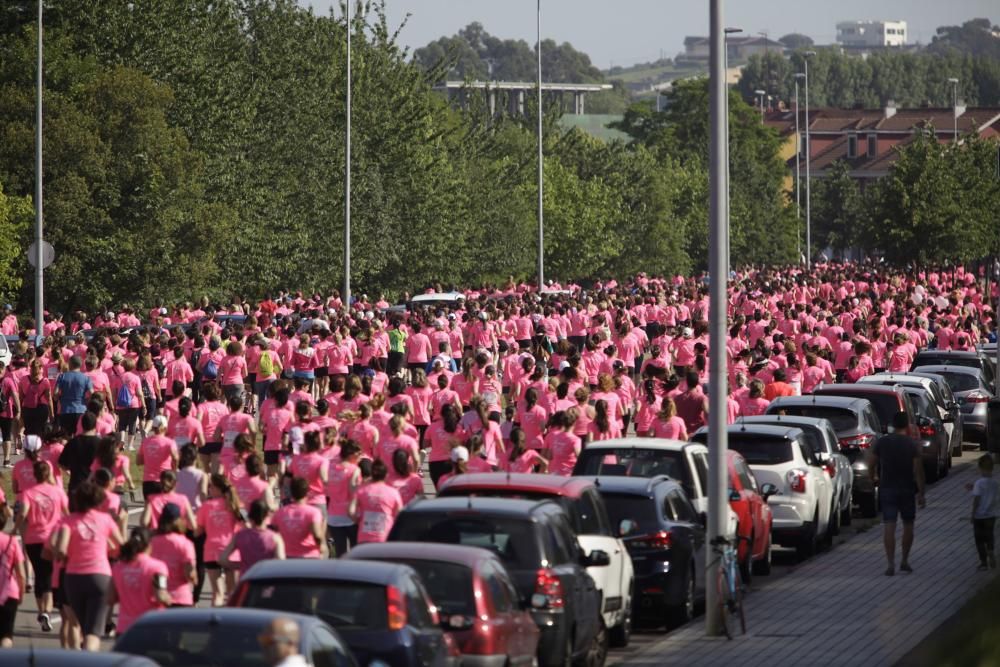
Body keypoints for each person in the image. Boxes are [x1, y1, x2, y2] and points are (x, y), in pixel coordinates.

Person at [52, 481, 125, 651]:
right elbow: (120, 545)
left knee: (77, 623)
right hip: (100, 575)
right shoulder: (105, 519)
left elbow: (60, 550)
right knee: (93, 631)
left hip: (74, 577)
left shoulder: (67, 521)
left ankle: (78, 657)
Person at [870, 411, 925, 576]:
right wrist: (921, 492)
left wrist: (873, 477)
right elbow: (918, 470)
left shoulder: (883, 442)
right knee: (908, 525)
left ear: (893, 425)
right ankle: (905, 560)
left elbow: (871, 463)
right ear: (907, 426)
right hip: (907, 488)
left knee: (889, 525)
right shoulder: (912, 444)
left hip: (887, 488)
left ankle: (890, 563)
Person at [16, 460, 69, 632]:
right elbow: (68, 514)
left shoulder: (28, 493)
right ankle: (46, 610)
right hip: (53, 538)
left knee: (40, 573)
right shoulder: (58, 492)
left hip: (33, 538)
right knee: (51, 574)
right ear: (49, 474)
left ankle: (41, 610)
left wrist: (16, 528)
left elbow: (22, 514)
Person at [108, 526, 170, 634]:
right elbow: (160, 596)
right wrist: (170, 601)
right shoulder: (157, 567)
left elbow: (110, 598)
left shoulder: (118, 568)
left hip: (125, 629)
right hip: (152, 626)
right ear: (149, 545)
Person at [220, 499, 285, 577]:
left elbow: (222, 559)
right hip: (267, 579)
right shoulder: (275, 537)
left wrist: (240, 566)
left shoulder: (240, 535)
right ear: (267, 515)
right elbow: (281, 561)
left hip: (248, 579)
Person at [149, 502, 198, 607]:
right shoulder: (185, 543)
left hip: (158, 597)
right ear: (179, 521)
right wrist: (194, 579)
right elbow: (189, 573)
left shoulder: (152, 542)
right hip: (181, 597)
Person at [271, 477, 327, 559]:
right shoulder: (313, 512)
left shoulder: (280, 513)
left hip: (287, 556)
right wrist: (322, 545)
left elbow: (274, 532)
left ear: (292, 492)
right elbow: (317, 535)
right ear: (307, 493)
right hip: (309, 556)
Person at [353, 460, 403, 544]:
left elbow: (351, 511)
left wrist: (358, 520)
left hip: (365, 536)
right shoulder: (393, 492)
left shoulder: (362, 490)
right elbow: (400, 514)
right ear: (386, 475)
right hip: (386, 536)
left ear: (372, 475)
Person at [326, 440, 362, 557]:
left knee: (340, 552)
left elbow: (325, 488)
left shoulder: (330, 468)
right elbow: (353, 489)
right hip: (350, 516)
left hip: (333, 517)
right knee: (355, 551)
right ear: (351, 455)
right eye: (359, 454)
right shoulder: (354, 469)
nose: (360, 457)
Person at [0, 502, 26, 647]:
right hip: (9, 592)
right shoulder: (12, 542)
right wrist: (21, 593)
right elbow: (21, 573)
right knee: (6, 635)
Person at [970, 454, 998, 570]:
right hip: (991, 515)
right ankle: (991, 550)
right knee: (989, 536)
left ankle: (983, 562)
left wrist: (972, 514)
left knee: (979, 540)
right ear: (992, 468)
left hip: (979, 516)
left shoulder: (979, 483)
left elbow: (977, 499)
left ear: (980, 468)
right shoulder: (995, 483)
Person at [55, 355, 92, 434]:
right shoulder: (86, 378)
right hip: (81, 409)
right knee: (80, 434)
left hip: (66, 409)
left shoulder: (62, 376)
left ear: (70, 364)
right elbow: (92, 393)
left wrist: (59, 398)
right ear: (81, 365)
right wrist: (87, 401)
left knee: (66, 436)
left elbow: (55, 393)